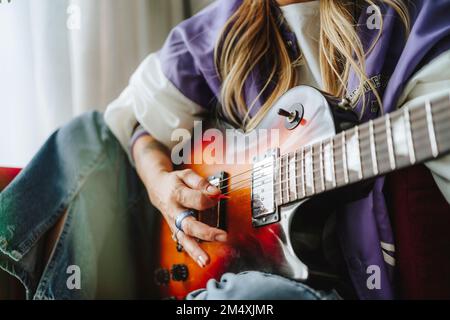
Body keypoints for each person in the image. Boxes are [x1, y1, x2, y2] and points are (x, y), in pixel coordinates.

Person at [1, 0, 450, 300]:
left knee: (253, 298)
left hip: (290, 290)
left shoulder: (417, 25)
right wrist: (161, 185)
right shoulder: (223, 26)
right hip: (204, 270)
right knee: (84, 137)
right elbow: (130, 119)